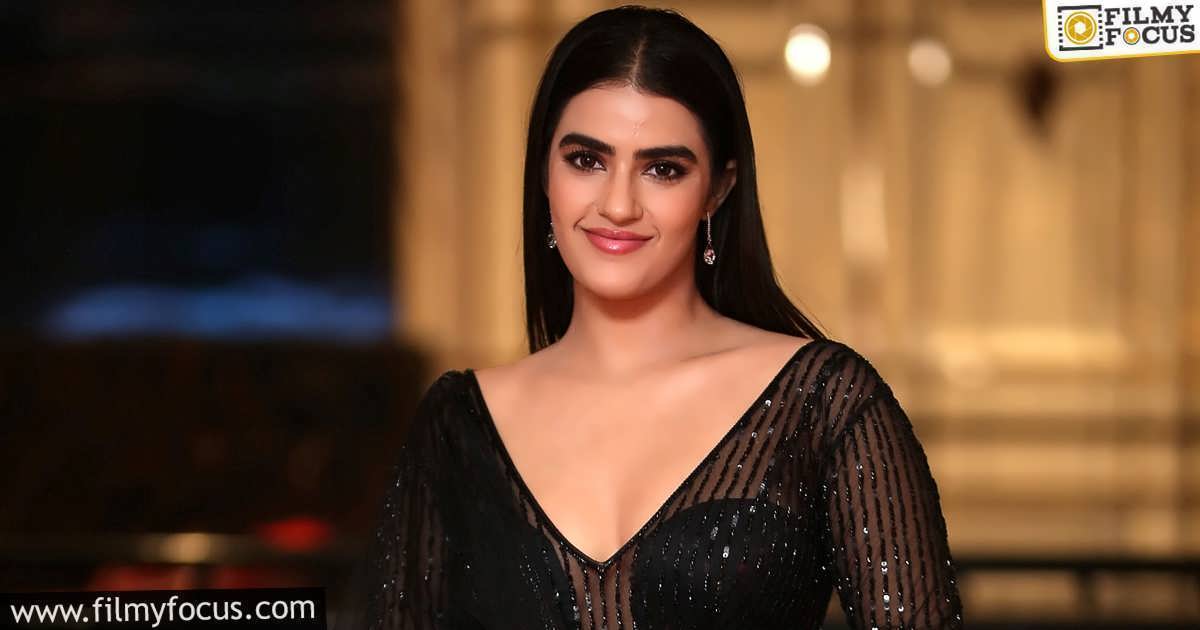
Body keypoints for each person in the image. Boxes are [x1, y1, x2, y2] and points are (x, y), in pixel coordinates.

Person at [355, 5, 963, 629]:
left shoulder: (821, 403)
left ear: (718, 190)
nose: (618, 204)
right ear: (544, 171)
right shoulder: (456, 426)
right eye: (586, 160)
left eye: (662, 169)